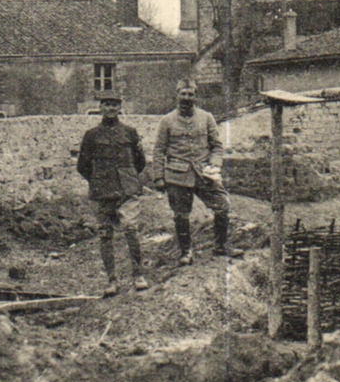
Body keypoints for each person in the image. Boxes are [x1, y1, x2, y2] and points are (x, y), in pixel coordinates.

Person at [151, 79, 242, 264]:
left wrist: (214, 166)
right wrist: (159, 177)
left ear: (195, 96)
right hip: (177, 175)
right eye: (183, 94)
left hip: (204, 174)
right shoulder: (167, 120)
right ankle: (186, 252)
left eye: (190, 94)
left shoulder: (207, 117)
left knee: (222, 206)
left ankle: (221, 246)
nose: (186, 98)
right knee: (181, 215)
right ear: (177, 95)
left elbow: (217, 146)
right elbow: (159, 150)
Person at [76, 93, 149, 295]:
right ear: (100, 107)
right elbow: (82, 165)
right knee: (105, 234)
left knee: (131, 228)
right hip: (103, 191)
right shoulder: (91, 136)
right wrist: (98, 179)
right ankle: (111, 280)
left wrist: (128, 177)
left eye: (114, 105)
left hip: (127, 189)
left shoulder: (130, 133)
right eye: (106, 105)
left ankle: (138, 274)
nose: (110, 109)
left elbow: (139, 162)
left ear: (120, 108)